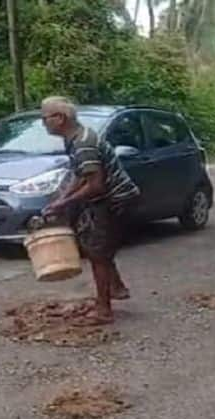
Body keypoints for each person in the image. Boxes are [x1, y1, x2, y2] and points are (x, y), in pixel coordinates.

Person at [41, 96, 140, 326]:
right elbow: (81, 174)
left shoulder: (83, 143)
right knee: (98, 244)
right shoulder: (74, 138)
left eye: (44, 118)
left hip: (115, 198)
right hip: (105, 196)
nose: (43, 122)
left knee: (97, 252)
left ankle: (104, 310)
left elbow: (96, 185)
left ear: (60, 118)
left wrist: (64, 204)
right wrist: (63, 198)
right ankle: (116, 288)